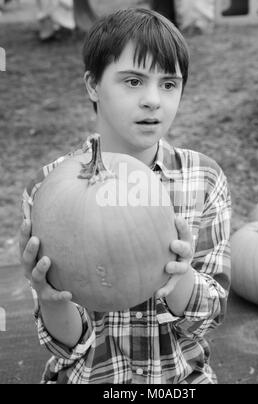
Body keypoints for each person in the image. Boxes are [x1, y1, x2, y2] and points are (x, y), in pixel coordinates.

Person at [19, 8, 231, 384]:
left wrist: (180, 277)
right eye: (133, 81)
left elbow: (210, 317)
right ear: (92, 85)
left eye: (169, 84)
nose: (153, 100)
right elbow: (67, 346)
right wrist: (51, 300)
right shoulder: (47, 189)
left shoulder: (204, 180)